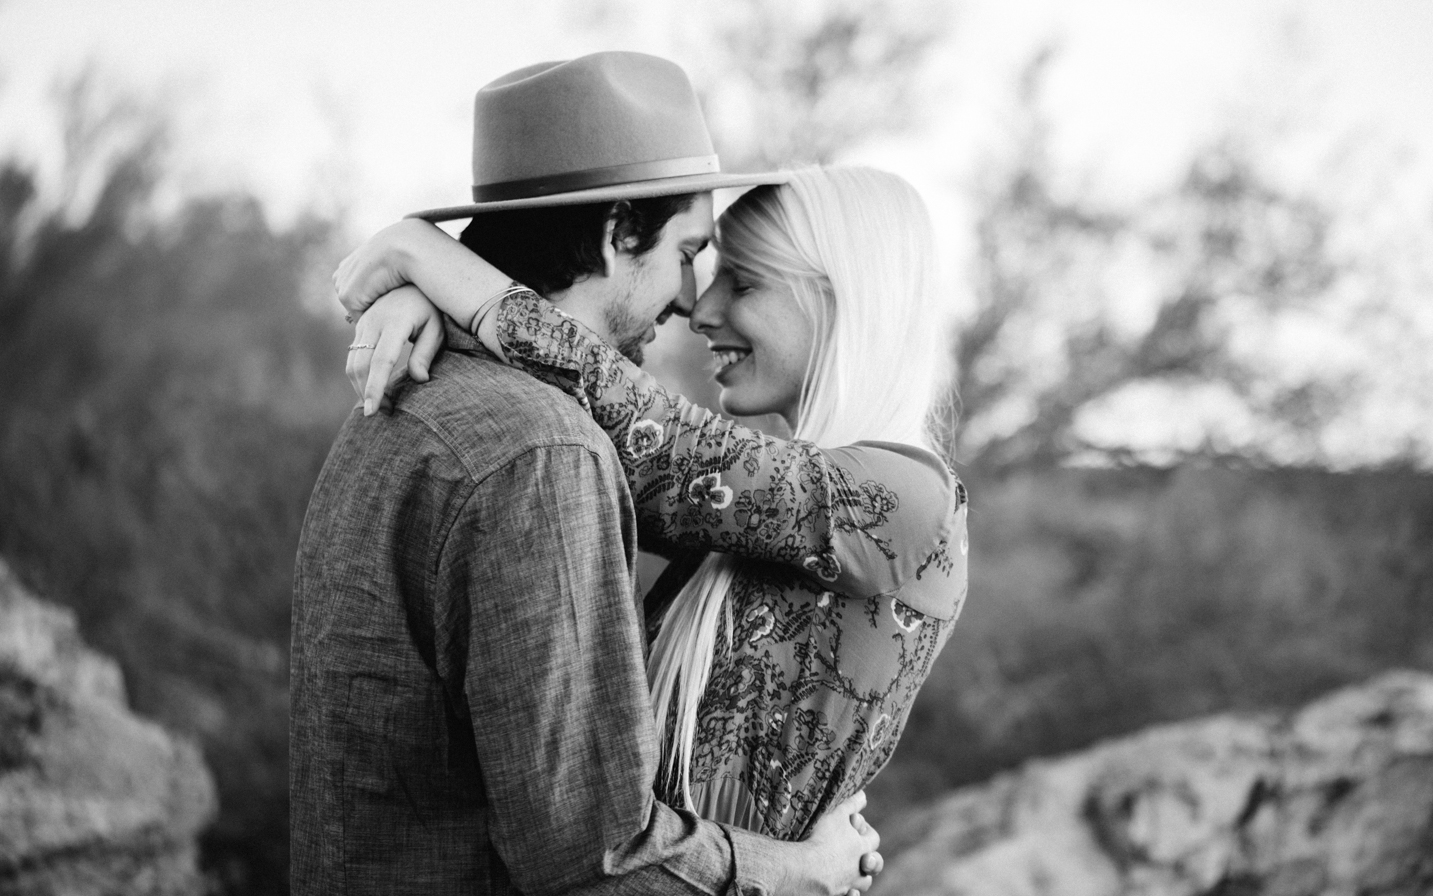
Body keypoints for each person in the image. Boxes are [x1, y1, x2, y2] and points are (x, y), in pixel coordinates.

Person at [291, 52, 881, 896]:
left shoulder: (400, 406)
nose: (688, 298)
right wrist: (799, 872)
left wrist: (432, 275)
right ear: (616, 231)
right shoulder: (545, 453)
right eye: (686, 251)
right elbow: (595, 860)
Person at [337, 164, 968, 847]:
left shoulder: (908, 501)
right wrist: (434, 304)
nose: (701, 310)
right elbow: (613, 443)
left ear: (845, 300)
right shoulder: (765, 518)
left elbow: (651, 440)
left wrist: (425, 257)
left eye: (745, 282)